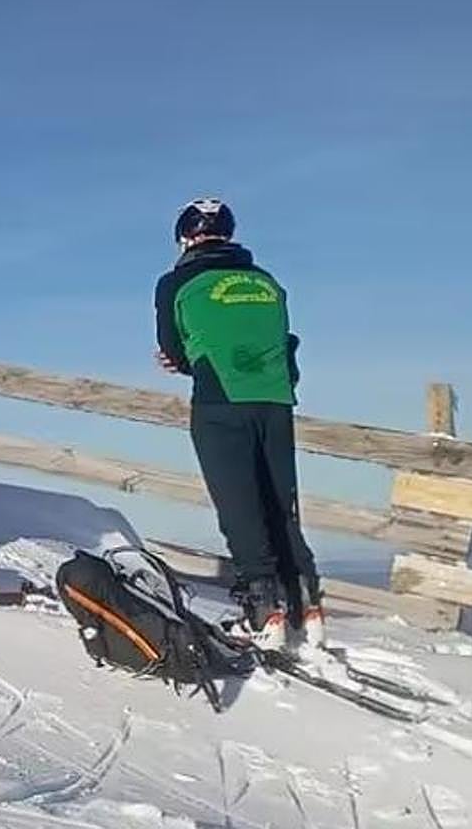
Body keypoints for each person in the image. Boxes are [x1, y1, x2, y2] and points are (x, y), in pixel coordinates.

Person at [154, 198, 323, 651]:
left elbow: (173, 346)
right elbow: (281, 339)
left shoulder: (177, 282)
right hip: (275, 399)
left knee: (240, 505)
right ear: (229, 235)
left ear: (185, 238)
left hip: (220, 399)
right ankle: (306, 603)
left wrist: (188, 362)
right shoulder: (267, 282)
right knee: (279, 501)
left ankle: (263, 612)